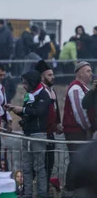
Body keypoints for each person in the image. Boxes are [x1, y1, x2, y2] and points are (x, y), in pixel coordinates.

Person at [6, 70, 50, 198]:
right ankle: (27, 193)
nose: (24, 86)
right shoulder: (28, 95)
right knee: (26, 165)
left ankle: (42, 193)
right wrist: (15, 109)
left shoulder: (43, 94)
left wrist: (23, 109)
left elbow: (39, 112)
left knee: (39, 166)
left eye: (26, 83)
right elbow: (27, 114)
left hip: (38, 134)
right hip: (27, 133)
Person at [63, 61, 94, 198]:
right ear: (79, 72)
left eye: (91, 70)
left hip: (82, 130)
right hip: (76, 131)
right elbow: (79, 112)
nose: (91, 73)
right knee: (76, 159)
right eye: (87, 71)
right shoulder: (75, 88)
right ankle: (70, 190)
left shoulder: (84, 88)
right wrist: (89, 128)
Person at [34, 60, 61, 188]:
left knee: (50, 162)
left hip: (51, 132)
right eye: (49, 75)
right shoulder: (38, 92)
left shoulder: (52, 90)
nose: (52, 77)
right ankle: (41, 190)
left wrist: (58, 124)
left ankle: (45, 188)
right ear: (42, 77)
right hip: (43, 132)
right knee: (41, 164)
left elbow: (56, 110)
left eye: (52, 74)